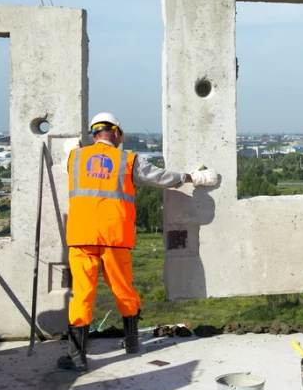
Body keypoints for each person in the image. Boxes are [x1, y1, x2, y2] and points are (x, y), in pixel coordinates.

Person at [57, 112, 217, 373]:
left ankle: (76, 357)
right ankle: (131, 342)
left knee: (82, 295)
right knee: (123, 289)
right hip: (115, 236)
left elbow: (69, 162)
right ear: (117, 133)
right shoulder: (128, 160)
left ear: (94, 133)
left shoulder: (74, 158)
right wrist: (192, 177)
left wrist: (73, 149)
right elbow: (160, 177)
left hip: (81, 237)